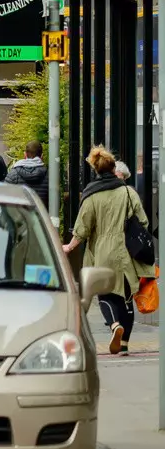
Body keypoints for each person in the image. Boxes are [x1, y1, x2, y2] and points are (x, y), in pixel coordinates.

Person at [67, 145, 150, 355]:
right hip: (126, 254)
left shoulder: (91, 195)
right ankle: (124, 345)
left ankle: (114, 325)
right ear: (114, 169)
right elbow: (143, 221)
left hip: (101, 252)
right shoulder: (128, 192)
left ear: (97, 170)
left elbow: (82, 229)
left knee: (104, 295)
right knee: (126, 298)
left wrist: (69, 246)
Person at [5, 138, 51, 209]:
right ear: (42, 156)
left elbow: (5, 198)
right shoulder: (49, 176)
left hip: (19, 218)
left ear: (25, 155)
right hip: (40, 218)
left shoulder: (13, 173)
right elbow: (54, 203)